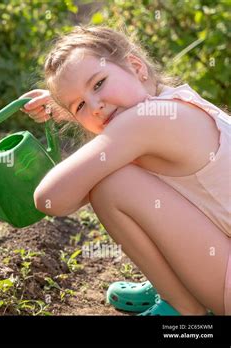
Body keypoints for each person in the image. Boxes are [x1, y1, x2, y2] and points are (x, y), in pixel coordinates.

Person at [19, 26, 230, 316]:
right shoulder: (174, 102)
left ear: (135, 66)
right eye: (80, 105)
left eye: (98, 84)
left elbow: (50, 198)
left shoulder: (141, 123)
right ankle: (177, 283)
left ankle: (183, 308)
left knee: (112, 184)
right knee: (116, 170)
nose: (95, 107)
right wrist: (71, 105)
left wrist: (76, 109)